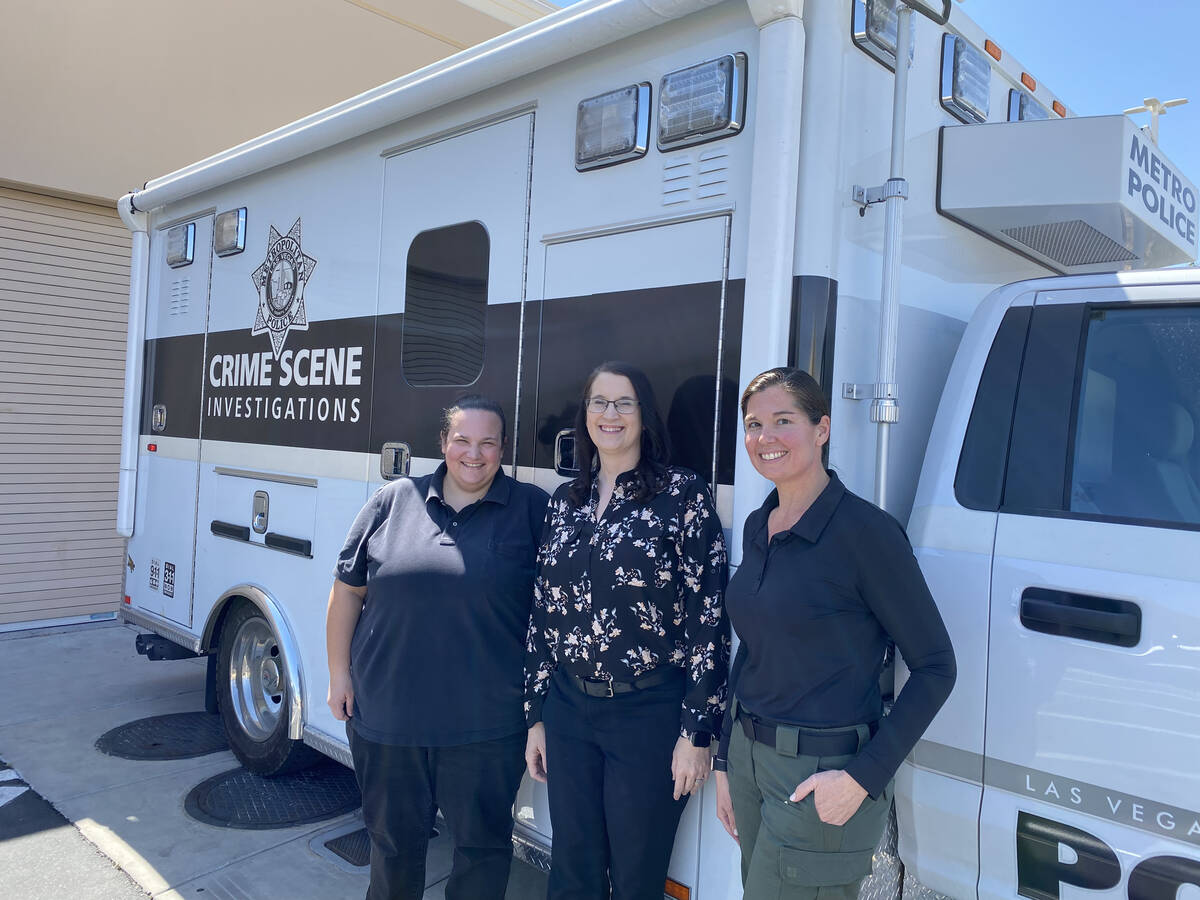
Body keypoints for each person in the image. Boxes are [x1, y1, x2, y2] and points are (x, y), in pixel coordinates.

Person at [712, 367, 956, 899]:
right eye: (754, 424)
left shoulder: (866, 534)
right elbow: (753, 649)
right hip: (754, 762)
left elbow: (937, 667)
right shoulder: (762, 523)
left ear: (821, 429)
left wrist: (864, 779)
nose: (765, 438)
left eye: (783, 421)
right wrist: (728, 759)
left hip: (821, 774)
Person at [326, 395, 549, 900]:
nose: (475, 453)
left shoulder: (532, 510)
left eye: (488, 442)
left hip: (487, 727)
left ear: (503, 448)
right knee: (392, 851)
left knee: (482, 854)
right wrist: (339, 674)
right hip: (388, 719)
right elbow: (347, 591)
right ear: (444, 444)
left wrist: (540, 715)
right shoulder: (394, 500)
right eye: (463, 440)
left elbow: (556, 615)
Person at [523, 361, 730, 900]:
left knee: (638, 876)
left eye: (623, 403)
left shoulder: (683, 496)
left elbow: (709, 616)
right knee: (572, 866)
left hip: (649, 714)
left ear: (644, 416)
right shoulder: (563, 504)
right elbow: (545, 612)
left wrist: (696, 731)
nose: (609, 414)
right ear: (584, 416)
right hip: (569, 710)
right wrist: (536, 715)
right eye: (598, 403)